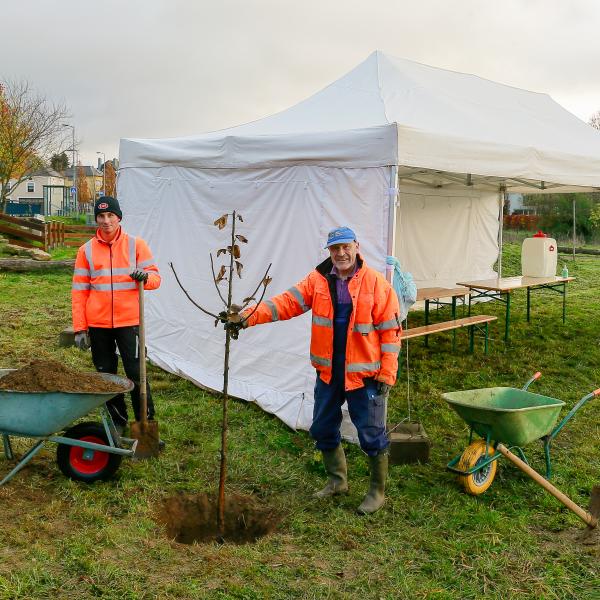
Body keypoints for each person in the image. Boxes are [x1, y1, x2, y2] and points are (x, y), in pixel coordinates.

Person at [234, 226, 401, 514]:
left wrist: (387, 373)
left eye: (345, 247)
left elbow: (391, 332)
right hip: (328, 373)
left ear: (356, 247)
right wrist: (248, 316)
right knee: (323, 427)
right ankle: (337, 482)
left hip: (365, 376)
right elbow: (285, 303)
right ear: (329, 252)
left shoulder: (376, 284)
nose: (341, 253)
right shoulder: (318, 280)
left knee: (371, 434)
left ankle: (377, 491)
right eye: (335, 249)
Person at [72, 196, 161, 436]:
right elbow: (79, 292)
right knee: (106, 376)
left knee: (136, 373)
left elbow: (156, 278)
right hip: (98, 324)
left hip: (129, 323)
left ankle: (145, 426)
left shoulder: (136, 245)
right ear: (96, 219)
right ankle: (118, 423)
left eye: (110, 215)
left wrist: (145, 277)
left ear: (119, 217)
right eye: (101, 216)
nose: (106, 221)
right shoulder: (86, 251)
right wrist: (80, 328)